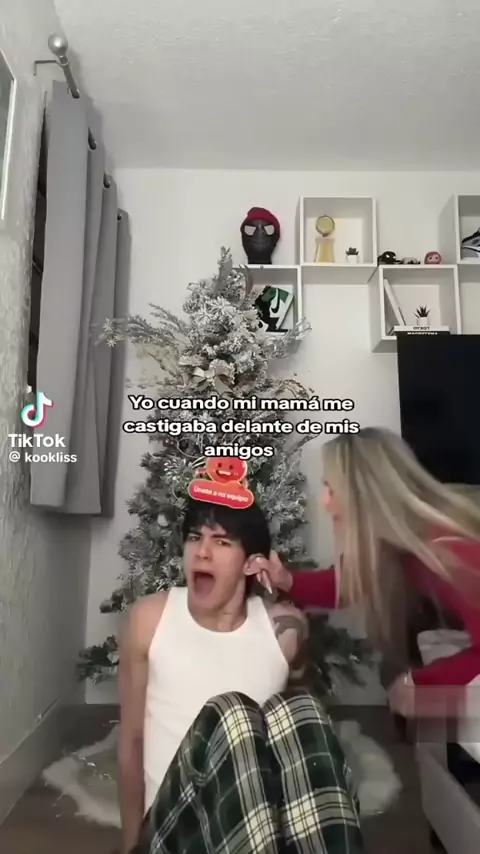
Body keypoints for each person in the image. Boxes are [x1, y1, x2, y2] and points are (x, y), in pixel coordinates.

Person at [118, 495, 364, 854]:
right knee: (233, 714)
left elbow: (297, 746)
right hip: (175, 831)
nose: (202, 553)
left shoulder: (285, 630)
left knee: (305, 710)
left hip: (255, 830)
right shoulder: (150, 618)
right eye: (194, 537)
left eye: (221, 542)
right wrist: (131, 847)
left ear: (252, 563)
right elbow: (131, 741)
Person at [256, 427, 480, 720]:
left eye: (331, 489)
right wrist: (286, 580)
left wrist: (424, 685)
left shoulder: (449, 550)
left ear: (363, 496)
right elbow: (347, 583)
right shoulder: (395, 542)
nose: (324, 501)